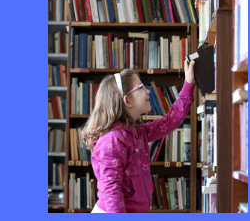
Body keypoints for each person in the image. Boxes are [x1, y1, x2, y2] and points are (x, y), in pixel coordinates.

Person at [81, 59, 196, 213]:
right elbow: (111, 191)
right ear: (127, 100)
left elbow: (170, 121)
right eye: (141, 87)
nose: (148, 91)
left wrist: (189, 83)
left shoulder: (138, 131)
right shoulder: (113, 139)